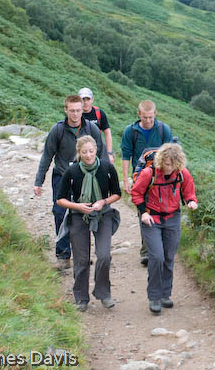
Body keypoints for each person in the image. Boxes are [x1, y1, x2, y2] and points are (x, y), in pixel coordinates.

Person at [34, 95, 109, 270]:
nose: (75, 114)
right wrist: (39, 181)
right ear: (66, 110)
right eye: (72, 110)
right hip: (62, 176)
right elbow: (47, 156)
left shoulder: (91, 129)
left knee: (85, 215)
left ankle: (82, 255)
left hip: (86, 177)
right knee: (60, 213)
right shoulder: (57, 130)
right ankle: (63, 255)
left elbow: (101, 154)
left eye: (78, 110)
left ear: (83, 110)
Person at [56, 136, 121, 311]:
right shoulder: (72, 171)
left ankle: (104, 293)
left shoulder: (107, 168)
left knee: (104, 255)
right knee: (81, 259)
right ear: (79, 152)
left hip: (103, 215)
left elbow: (117, 193)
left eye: (91, 151)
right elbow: (60, 199)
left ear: (96, 150)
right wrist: (77, 206)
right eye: (84, 152)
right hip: (79, 216)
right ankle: (81, 297)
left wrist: (103, 202)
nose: (88, 155)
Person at [131, 143, 197, 314]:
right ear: (161, 161)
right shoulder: (149, 173)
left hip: (172, 218)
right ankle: (154, 297)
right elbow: (136, 193)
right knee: (157, 257)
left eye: (173, 164)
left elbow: (189, 191)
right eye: (167, 164)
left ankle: (165, 294)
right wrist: (143, 213)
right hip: (151, 218)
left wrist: (191, 201)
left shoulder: (182, 173)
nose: (169, 168)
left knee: (168, 257)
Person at [121, 100, 174, 265]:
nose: (148, 121)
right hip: (141, 179)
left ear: (155, 114)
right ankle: (147, 252)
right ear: (139, 115)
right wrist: (126, 179)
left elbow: (172, 154)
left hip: (162, 179)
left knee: (163, 212)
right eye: (145, 117)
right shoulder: (131, 131)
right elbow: (126, 156)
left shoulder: (163, 130)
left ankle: (160, 248)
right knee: (144, 212)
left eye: (151, 117)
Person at [78, 87, 115, 164]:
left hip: (98, 148)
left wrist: (109, 153)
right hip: (81, 150)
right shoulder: (76, 114)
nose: (85, 102)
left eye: (88, 99)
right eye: (83, 99)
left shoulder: (99, 113)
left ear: (92, 100)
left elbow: (107, 133)